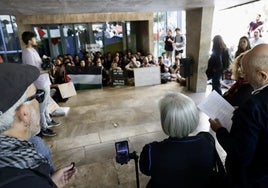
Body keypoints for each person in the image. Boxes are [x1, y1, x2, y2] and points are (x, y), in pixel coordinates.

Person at [0, 63, 76, 187]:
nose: (39, 101)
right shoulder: (28, 179)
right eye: (38, 95)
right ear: (24, 114)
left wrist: (52, 183)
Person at [210, 43, 268, 188]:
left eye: (247, 73)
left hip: (252, 180)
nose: (243, 76)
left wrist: (220, 130)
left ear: (262, 75)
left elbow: (239, 155)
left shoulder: (252, 107)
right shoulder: (251, 108)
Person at [139, 92, 217, 188]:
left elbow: (145, 170)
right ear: (194, 118)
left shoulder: (151, 151)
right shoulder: (207, 140)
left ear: (165, 121)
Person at [22, 31, 59, 137]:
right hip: (39, 82)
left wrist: (47, 63)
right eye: (34, 38)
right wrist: (47, 70)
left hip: (44, 80)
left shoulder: (33, 50)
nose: (36, 40)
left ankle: (48, 120)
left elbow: (39, 66)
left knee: (46, 103)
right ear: (29, 40)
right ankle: (44, 127)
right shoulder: (27, 52)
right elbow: (32, 71)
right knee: (42, 107)